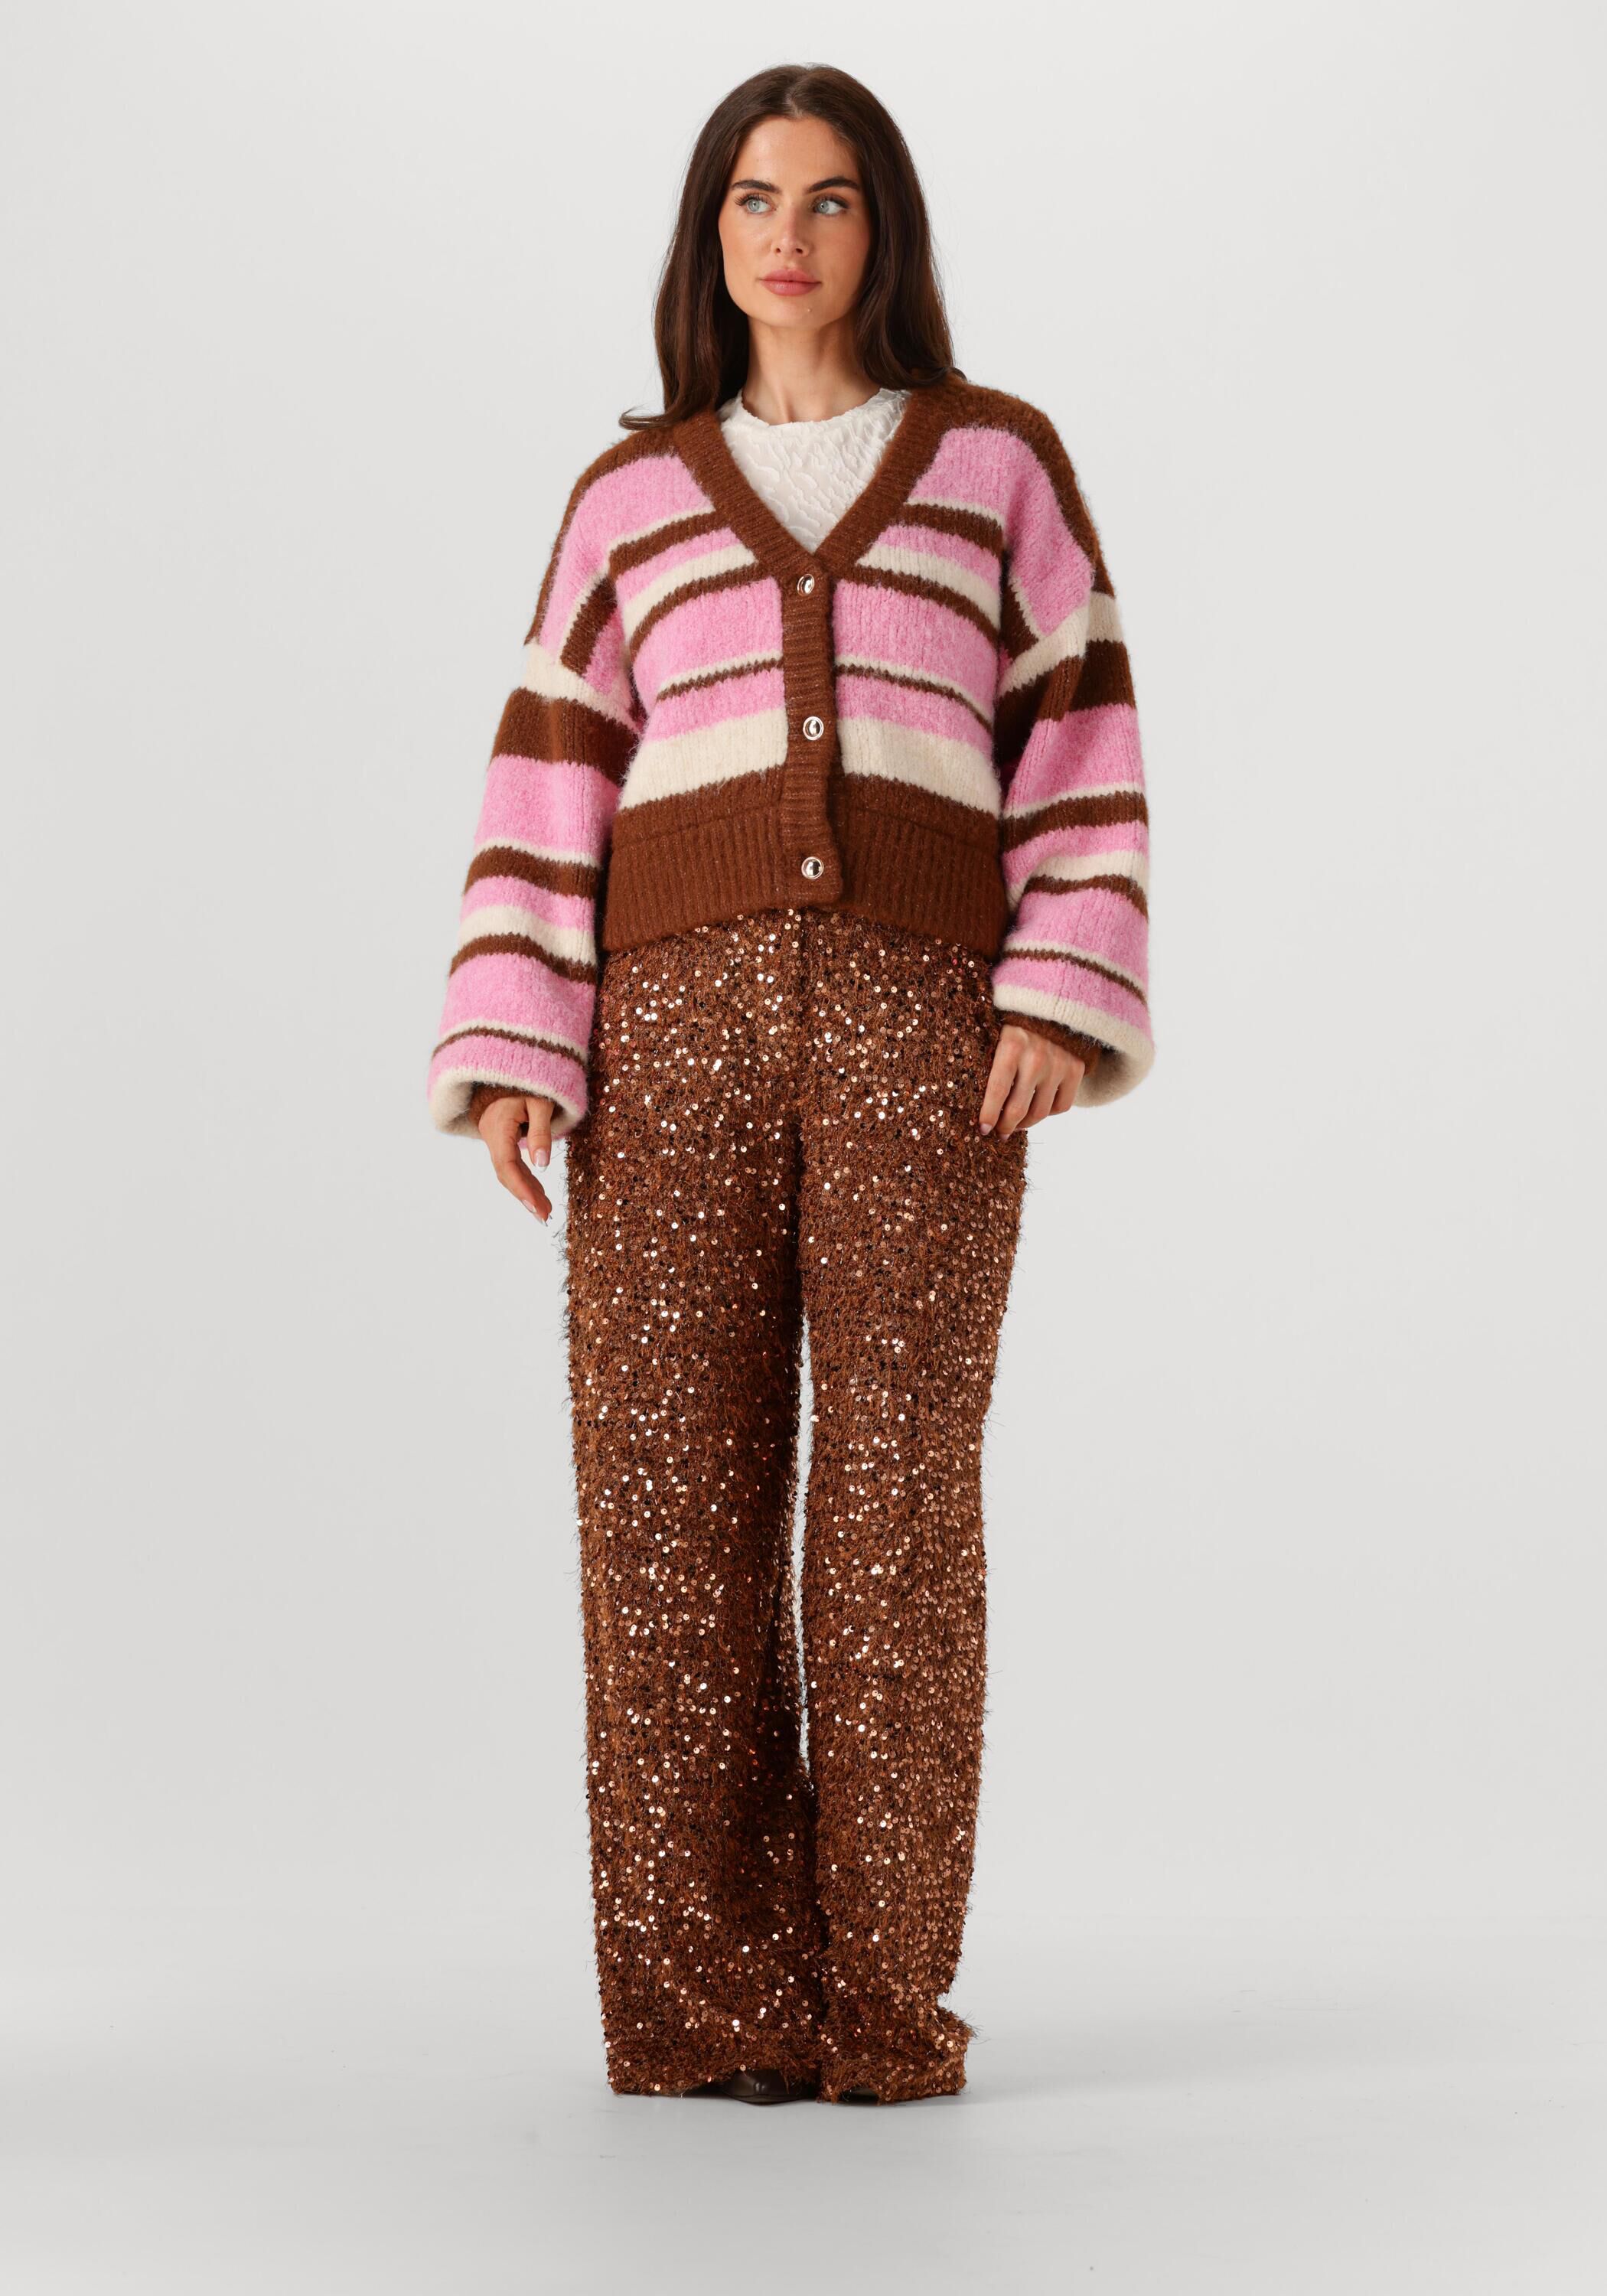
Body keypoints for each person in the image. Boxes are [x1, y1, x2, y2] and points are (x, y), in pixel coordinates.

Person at [425, 62, 1154, 2107]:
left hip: (934, 1036)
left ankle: (876, 1998)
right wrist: (517, 1043)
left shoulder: (997, 459)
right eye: (755, 197)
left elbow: (1083, 736)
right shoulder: (630, 494)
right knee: (666, 1503)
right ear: (709, 233)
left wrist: (1058, 990)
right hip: (664, 1040)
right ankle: (707, 2002)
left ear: (881, 229)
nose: (790, 236)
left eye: (831, 199)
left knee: (897, 1508)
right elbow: (550, 770)